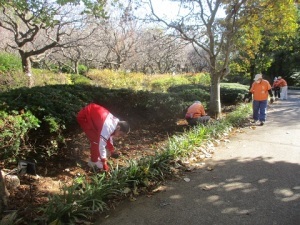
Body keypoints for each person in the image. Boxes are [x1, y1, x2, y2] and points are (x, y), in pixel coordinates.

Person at [77, 103, 130, 172]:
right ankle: (93, 161)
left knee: (99, 138)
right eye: (121, 134)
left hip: (92, 115)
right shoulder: (108, 127)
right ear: (118, 128)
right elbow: (101, 145)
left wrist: (112, 150)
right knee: (96, 140)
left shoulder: (116, 122)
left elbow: (109, 137)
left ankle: (97, 158)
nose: (120, 136)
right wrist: (104, 162)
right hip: (84, 117)